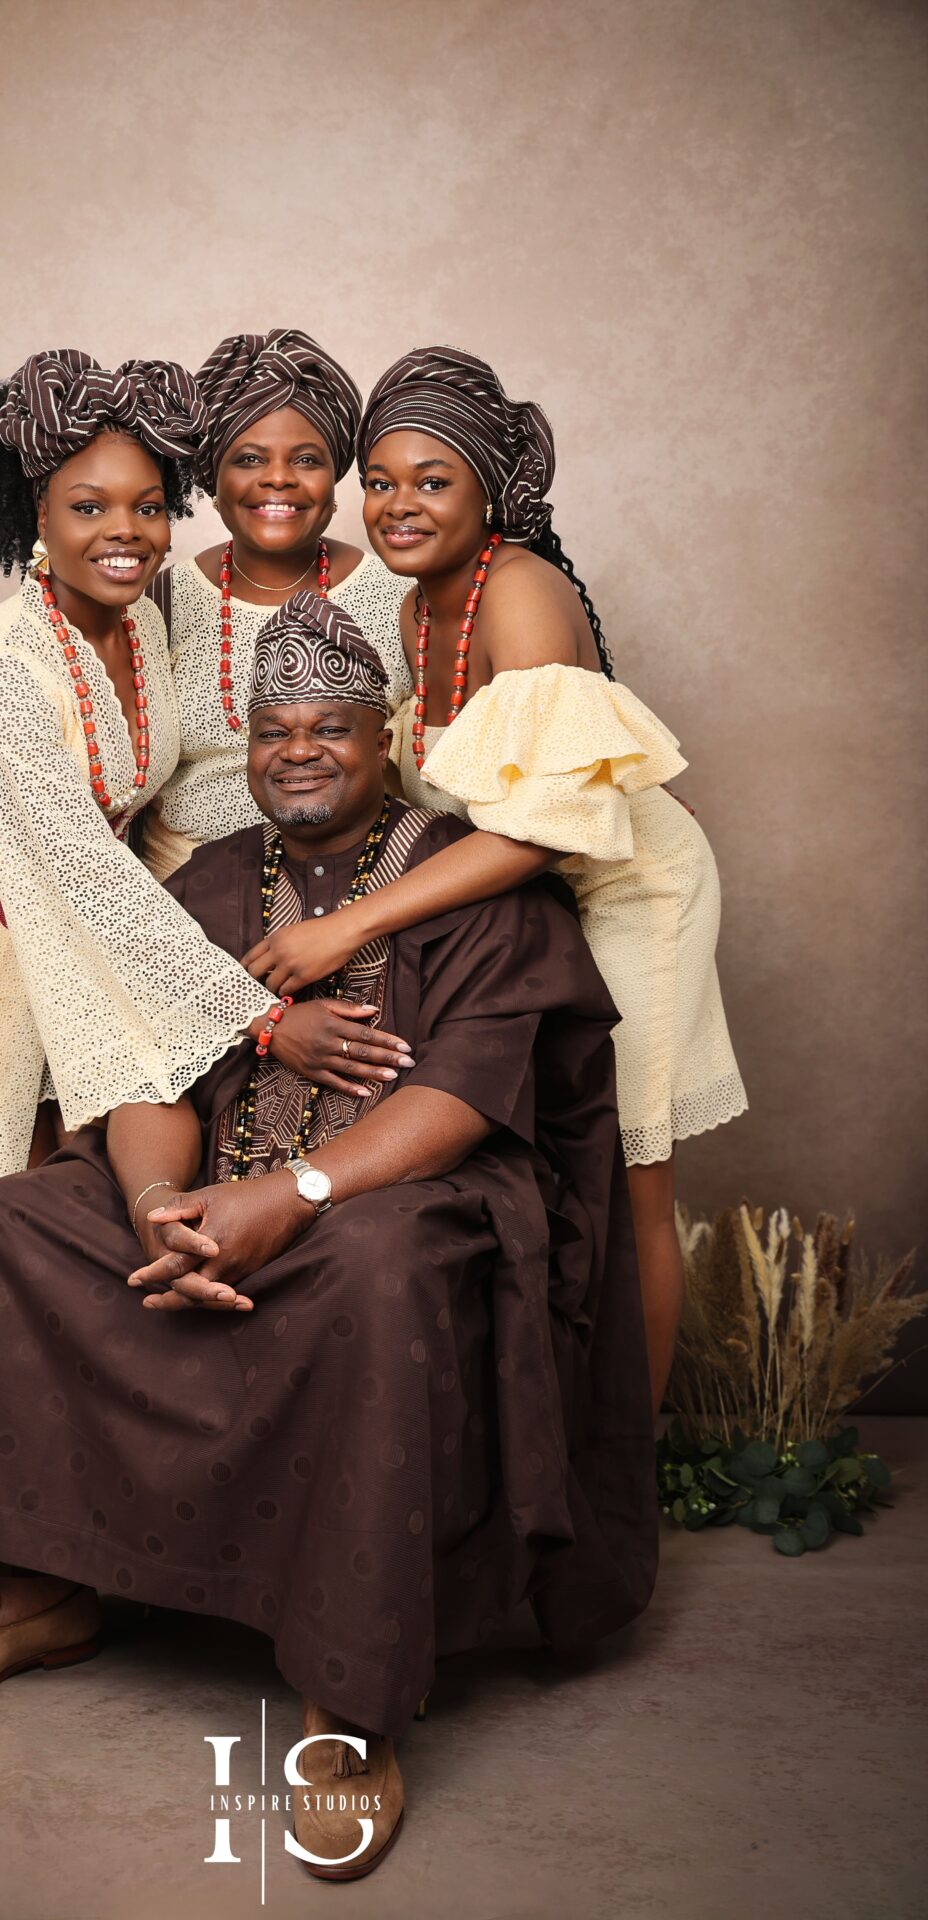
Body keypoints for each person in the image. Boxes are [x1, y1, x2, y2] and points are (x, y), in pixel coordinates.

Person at [0, 592, 657, 1882]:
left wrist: (287, 1203)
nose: (299, 749)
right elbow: (145, 1065)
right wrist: (157, 1213)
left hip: (393, 1200)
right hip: (210, 1184)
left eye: (329, 728)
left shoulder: (473, 882)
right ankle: (39, 1593)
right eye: (275, 728)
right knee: (17, 1222)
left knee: (378, 1274)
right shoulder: (221, 876)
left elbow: (457, 1101)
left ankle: (346, 1706)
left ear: (383, 734)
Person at [243, 346, 748, 1413]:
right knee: (550, 1164)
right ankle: (547, 1437)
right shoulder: (418, 603)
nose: (396, 506)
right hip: (529, 897)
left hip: (621, 887)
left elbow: (534, 831)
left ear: (487, 489)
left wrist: (345, 929)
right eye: (378, 482)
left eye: (431, 482)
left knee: (624, 1171)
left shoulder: (516, 592)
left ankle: (627, 1467)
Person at [0, 348, 396, 1220]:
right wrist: (268, 1022)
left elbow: (97, 787)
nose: (123, 530)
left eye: (149, 507)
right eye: (88, 508)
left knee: (82, 1195)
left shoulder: (138, 623)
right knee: (18, 1207)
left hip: (97, 917)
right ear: (36, 517)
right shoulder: (1, 667)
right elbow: (82, 869)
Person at [0, 330, 413, 882]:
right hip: (177, 896)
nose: (278, 477)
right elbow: (85, 727)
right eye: (248, 457)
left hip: (356, 889)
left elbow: (440, 760)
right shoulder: (154, 601)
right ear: (211, 477)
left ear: (336, 479)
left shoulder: (402, 596)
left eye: (307, 458)